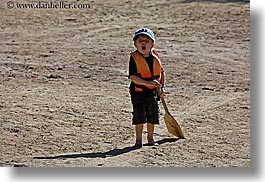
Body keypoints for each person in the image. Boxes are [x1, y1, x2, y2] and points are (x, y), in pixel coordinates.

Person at [128, 28, 166, 148]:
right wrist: (148, 83)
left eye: (146, 41)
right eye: (140, 41)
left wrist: (163, 87)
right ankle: (138, 140)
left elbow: (161, 72)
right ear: (135, 44)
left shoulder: (155, 56)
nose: (143, 43)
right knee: (139, 116)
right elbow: (133, 77)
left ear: (152, 44)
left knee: (152, 115)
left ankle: (150, 138)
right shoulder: (134, 58)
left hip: (153, 92)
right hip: (138, 92)